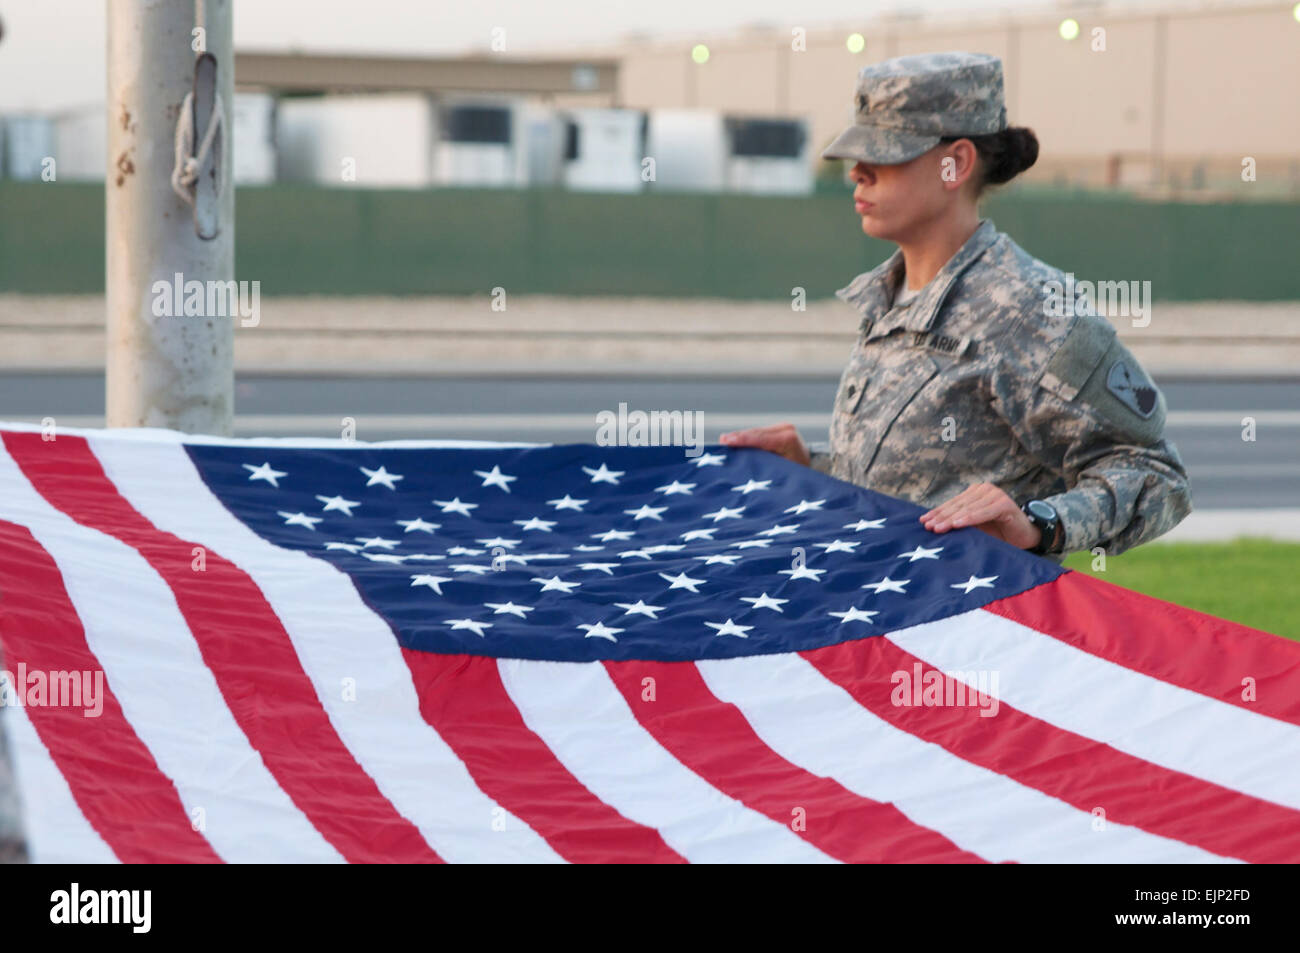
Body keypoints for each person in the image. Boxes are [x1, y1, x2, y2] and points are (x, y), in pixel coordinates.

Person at [720, 51, 1191, 562]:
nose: (857, 171)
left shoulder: (1029, 310)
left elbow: (1154, 473)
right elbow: (919, 490)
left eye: (885, 153)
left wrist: (1040, 524)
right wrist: (811, 468)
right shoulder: (890, 296)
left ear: (956, 164)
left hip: (970, 626)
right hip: (883, 617)